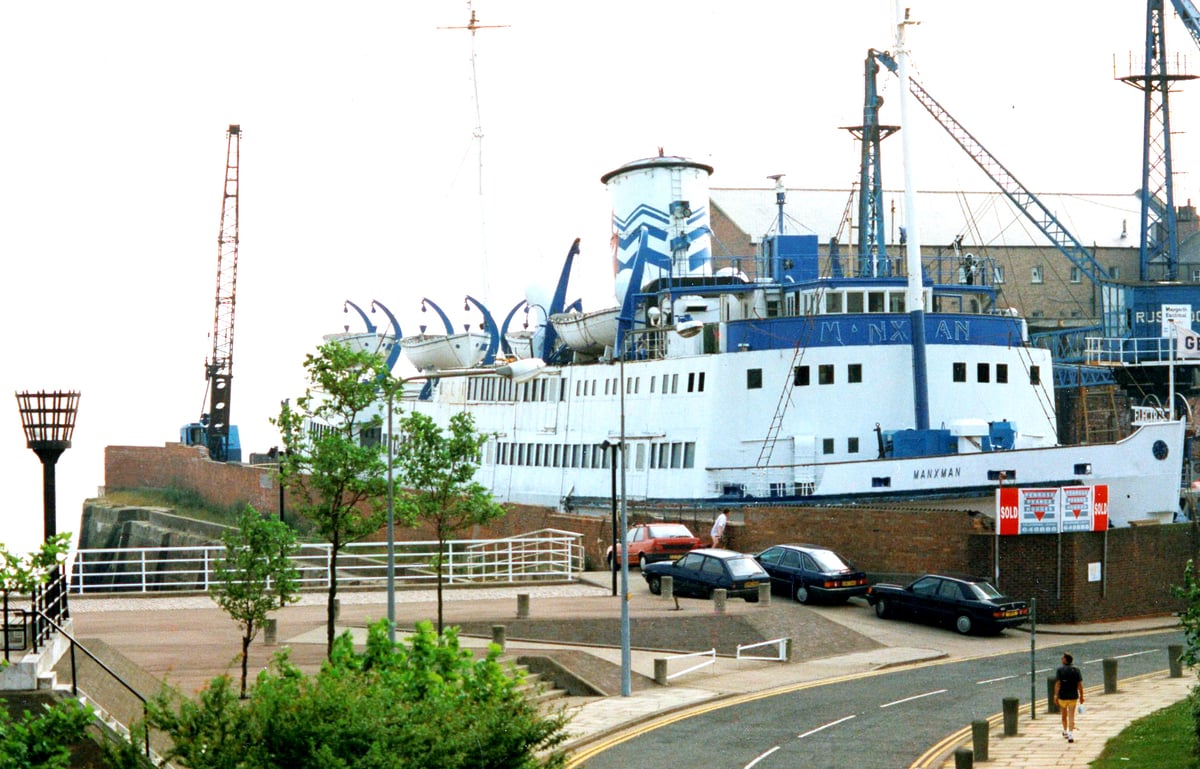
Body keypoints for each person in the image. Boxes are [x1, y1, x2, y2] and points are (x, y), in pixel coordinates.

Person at [1054, 652, 1085, 743]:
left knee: (1064, 715)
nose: (1061, 659)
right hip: (1073, 696)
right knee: (1071, 716)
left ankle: (1065, 731)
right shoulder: (1076, 670)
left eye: (1062, 658)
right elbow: (1079, 685)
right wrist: (1082, 696)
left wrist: (1055, 695)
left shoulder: (1060, 670)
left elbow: (1058, 684)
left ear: (1065, 660)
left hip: (1062, 696)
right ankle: (1070, 734)